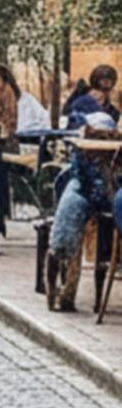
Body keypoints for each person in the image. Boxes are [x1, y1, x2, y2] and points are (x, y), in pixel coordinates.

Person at [46, 108, 120, 312]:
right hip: (83, 189)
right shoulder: (80, 159)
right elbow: (80, 177)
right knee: (68, 218)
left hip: (111, 195)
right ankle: (63, 293)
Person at [62, 63, 118, 131]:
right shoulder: (83, 99)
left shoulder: (112, 110)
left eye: (109, 80)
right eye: (104, 80)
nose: (106, 83)